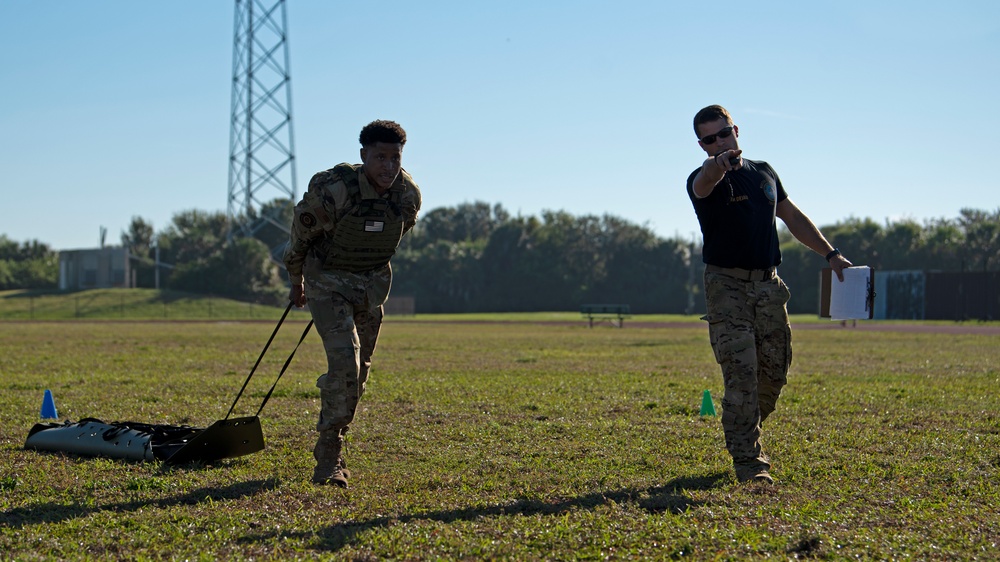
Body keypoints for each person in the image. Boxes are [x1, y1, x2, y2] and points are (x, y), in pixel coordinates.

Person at [686, 105, 852, 484]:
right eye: (709, 139)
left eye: (723, 134)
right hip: (727, 287)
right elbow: (705, 181)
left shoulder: (764, 173)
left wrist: (831, 254)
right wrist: (719, 163)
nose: (719, 143)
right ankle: (749, 462)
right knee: (741, 375)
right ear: (702, 144)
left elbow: (792, 217)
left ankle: (740, 421)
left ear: (736, 130)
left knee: (773, 375)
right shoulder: (703, 177)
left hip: (768, 285)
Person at [283, 120, 421, 487]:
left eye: (395, 157)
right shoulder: (335, 191)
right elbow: (299, 237)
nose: (389, 166)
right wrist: (297, 281)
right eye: (380, 157)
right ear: (364, 157)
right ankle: (329, 457)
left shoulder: (407, 196)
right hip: (326, 281)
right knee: (345, 363)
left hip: (370, 287)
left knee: (358, 374)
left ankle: (336, 417)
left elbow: (392, 238)